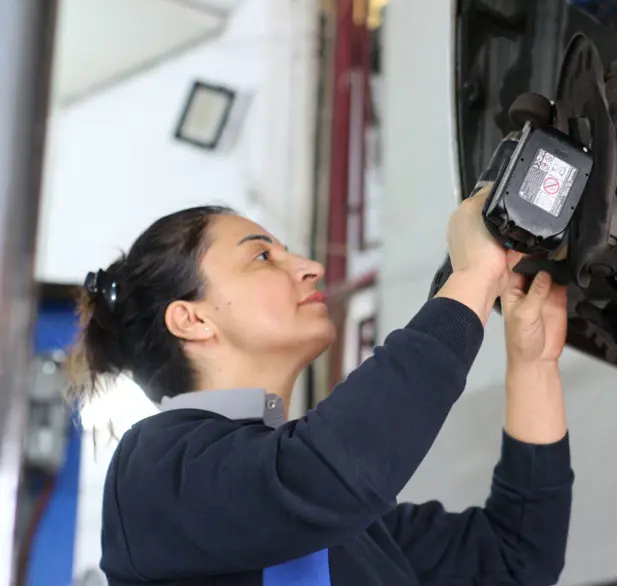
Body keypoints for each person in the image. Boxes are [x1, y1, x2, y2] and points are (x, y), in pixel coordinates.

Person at [68, 191, 573, 586]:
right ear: (192, 319)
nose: (309, 267)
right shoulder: (152, 472)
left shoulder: (341, 526)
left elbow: (516, 554)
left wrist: (533, 365)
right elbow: (327, 473)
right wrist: (473, 278)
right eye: (263, 257)